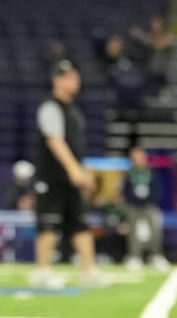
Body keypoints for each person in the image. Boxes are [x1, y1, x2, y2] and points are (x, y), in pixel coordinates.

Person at [30, 59, 107, 289]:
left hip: (70, 179)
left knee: (79, 223)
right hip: (52, 178)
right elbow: (55, 141)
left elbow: (75, 147)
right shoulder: (50, 108)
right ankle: (42, 272)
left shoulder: (73, 111)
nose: (73, 80)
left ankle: (89, 270)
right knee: (49, 224)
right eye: (67, 76)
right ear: (56, 80)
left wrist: (82, 172)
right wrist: (74, 170)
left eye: (75, 75)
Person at [122, 146, 169, 271]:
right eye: (134, 158)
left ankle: (157, 256)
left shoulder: (151, 172)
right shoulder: (129, 173)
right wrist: (133, 200)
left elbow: (157, 189)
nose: (137, 160)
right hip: (133, 206)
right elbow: (125, 191)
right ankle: (135, 257)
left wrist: (149, 200)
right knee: (133, 233)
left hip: (149, 206)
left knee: (155, 231)